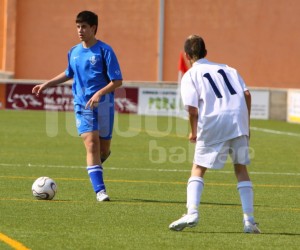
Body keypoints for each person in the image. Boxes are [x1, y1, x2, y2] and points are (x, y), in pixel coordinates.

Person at [169, 35, 260, 233]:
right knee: (241, 168)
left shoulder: (191, 75)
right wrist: (247, 124)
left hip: (214, 120)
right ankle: (249, 221)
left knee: (199, 168)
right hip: (238, 119)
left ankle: (192, 212)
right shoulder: (230, 69)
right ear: (206, 53)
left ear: (186, 56)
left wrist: (194, 132)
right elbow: (247, 94)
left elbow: (192, 109)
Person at [32, 10, 123, 202]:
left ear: (93, 28)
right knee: (92, 144)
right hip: (83, 105)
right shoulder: (73, 52)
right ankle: (100, 191)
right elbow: (68, 73)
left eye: (84, 27)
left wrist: (99, 93)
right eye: (78, 27)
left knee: (104, 150)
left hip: (104, 105)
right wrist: (47, 83)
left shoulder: (105, 51)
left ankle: (94, 166)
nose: (80, 30)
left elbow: (117, 81)